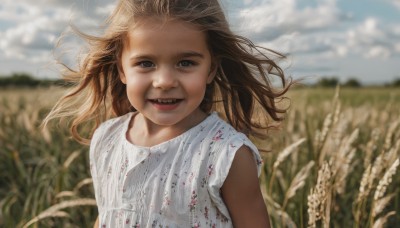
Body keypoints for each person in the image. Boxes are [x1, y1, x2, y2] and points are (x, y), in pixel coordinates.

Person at [44, 0, 293, 227]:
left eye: (185, 63)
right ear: (122, 69)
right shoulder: (106, 139)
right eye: (145, 63)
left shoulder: (226, 155)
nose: (164, 81)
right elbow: (108, 214)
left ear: (210, 69)